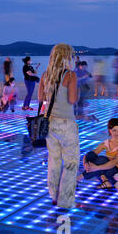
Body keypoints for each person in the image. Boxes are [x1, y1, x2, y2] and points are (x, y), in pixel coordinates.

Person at [38, 43, 79, 209]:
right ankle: (66, 200)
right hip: (66, 123)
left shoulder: (45, 74)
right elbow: (72, 100)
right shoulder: (70, 75)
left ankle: (54, 195)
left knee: (53, 161)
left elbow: (41, 97)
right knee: (70, 163)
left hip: (50, 123)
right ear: (66, 57)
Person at [77, 118, 118, 189]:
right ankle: (105, 180)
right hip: (105, 172)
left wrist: (96, 168)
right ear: (110, 130)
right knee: (91, 155)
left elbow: (114, 162)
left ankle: (78, 179)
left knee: (101, 159)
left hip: (117, 174)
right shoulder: (106, 143)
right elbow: (88, 155)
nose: (117, 133)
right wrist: (85, 164)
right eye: (114, 130)